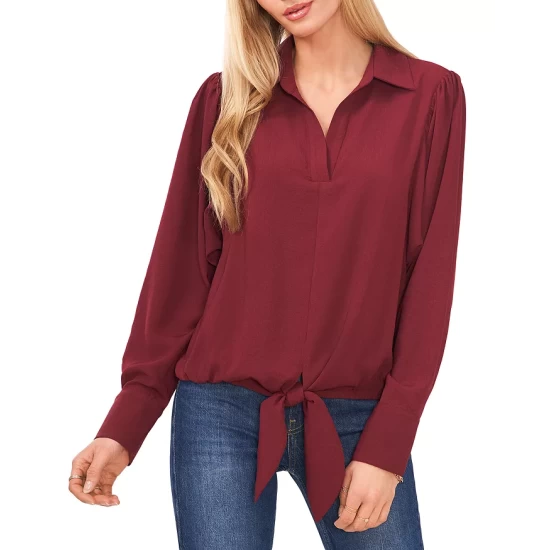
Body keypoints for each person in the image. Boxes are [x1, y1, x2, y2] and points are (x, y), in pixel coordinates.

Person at [68, 0, 466, 548]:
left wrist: (389, 443)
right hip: (220, 409)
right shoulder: (225, 99)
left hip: (360, 414)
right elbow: (182, 270)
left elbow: (430, 279)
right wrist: (126, 422)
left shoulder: (431, 95)